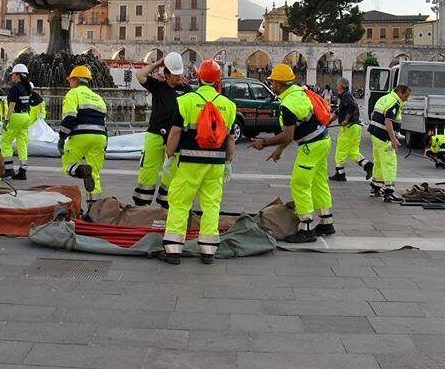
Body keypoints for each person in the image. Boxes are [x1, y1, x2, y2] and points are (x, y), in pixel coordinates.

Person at [157, 59, 237, 265]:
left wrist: (169, 156)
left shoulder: (186, 101)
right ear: (218, 80)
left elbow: (175, 132)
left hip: (189, 163)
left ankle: (173, 249)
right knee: (211, 204)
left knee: (180, 202)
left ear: (199, 78)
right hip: (216, 164)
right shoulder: (229, 105)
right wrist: (228, 161)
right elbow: (230, 139)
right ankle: (208, 249)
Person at [251, 64, 334, 244]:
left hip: (310, 146)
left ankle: (306, 228)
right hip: (323, 141)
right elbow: (295, 130)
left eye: (273, 82)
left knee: (299, 183)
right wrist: (279, 149)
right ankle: (326, 222)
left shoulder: (287, 105)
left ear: (279, 84)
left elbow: (288, 134)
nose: (271, 84)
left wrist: (264, 143)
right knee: (319, 182)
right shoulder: (299, 92)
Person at [132, 52, 191, 208]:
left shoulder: (186, 90)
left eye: (180, 74)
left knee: (172, 170)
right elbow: (139, 75)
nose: (179, 77)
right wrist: (157, 63)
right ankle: (142, 203)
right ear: (166, 75)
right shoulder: (158, 86)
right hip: (155, 134)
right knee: (148, 168)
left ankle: (167, 202)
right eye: (175, 74)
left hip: (176, 137)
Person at [59, 65, 108, 207]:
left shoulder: (73, 93)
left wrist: (62, 137)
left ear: (75, 80)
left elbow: (70, 117)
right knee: (95, 174)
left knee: (68, 165)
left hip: (81, 135)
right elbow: (104, 122)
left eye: (70, 80)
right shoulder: (98, 98)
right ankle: (94, 209)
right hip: (100, 137)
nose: (70, 83)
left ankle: (81, 170)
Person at [368, 84, 411, 202]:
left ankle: (376, 187)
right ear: (400, 92)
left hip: (374, 134)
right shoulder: (394, 102)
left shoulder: (384, 98)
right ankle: (389, 191)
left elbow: (373, 114)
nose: (407, 99)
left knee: (378, 161)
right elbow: (388, 120)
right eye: (406, 96)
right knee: (389, 163)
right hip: (384, 137)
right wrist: (393, 139)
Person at [330, 77, 373, 181]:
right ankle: (367, 165)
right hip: (356, 127)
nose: (336, 86)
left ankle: (340, 174)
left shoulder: (346, 96)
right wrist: (329, 121)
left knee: (340, 150)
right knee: (353, 151)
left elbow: (351, 107)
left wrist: (346, 119)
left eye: (337, 85)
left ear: (341, 86)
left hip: (349, 127)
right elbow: (338, 112)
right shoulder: (347, 96)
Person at [3, 64, 31, 180]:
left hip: (16, 117)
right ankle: (23, 171)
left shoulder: (15, 88)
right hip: (26, 117)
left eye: (13, 74)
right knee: (22, 143)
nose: (12, 77)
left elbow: (12, 104)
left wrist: (6, 119)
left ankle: (9, 169)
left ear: (18, 75)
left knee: (5, 142)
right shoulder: (27, 88)